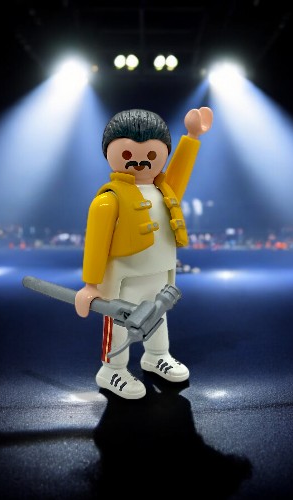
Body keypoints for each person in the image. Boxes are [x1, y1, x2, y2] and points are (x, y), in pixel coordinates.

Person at [75, 107, 213, 399]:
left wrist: (192, 137)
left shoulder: (165, 191)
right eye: (128, 154)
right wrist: (90, 285)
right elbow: (96, 243)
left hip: (160, 272)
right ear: (110, 153)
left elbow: (181, 171)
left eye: (151, 154)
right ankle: (111, 370)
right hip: (122, 277)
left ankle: (156, 355)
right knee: (118, 323)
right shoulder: (108, 199)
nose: (139, 162)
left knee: (157, 316)